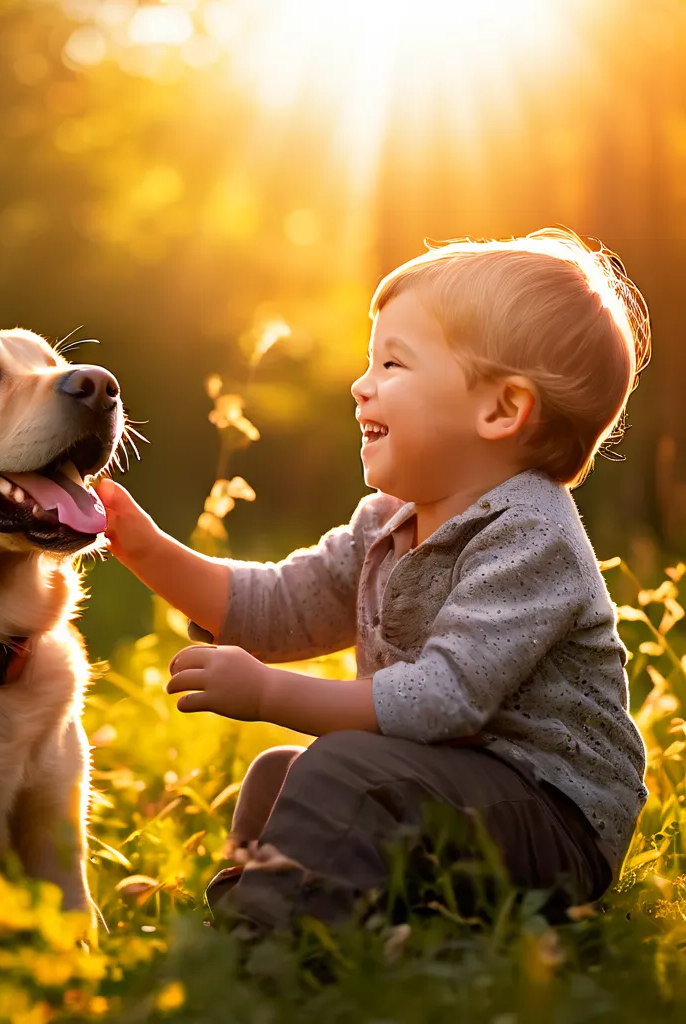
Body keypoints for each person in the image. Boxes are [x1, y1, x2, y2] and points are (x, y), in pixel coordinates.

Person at [95, 227, 651, 934]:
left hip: (552, 822)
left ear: (501, 410)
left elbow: (441, 701)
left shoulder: (531, 536)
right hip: (449, 792)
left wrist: (268, 692)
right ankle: (335, 920)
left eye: (393, 363)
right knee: (280, 774)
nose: (362, 385)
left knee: (344, 773)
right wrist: (144, 548)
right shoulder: (388, 521)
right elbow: (278, 607)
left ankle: (266, 947)